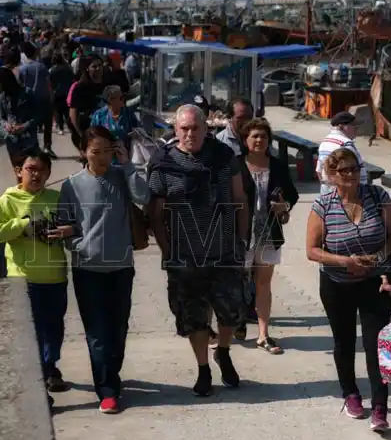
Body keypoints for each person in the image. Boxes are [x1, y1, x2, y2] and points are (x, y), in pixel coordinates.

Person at [147, 104, 250, 397]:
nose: (190, 133)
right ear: (176, 129)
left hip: (225, 250)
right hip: (186, 254)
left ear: (206, 128)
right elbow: (155, 212)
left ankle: (224, 351)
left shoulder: (223, 156)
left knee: (231, 312)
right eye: (184, 128)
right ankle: (203, 368)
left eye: (195, 128)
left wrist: (242, 240)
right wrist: (167, 251)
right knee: (194, 316)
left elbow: (240, 197)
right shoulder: (162, 162)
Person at [306, 147, 391, 432]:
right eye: (344, 170)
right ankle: (351, 394)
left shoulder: (377, 196)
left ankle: (381, 406)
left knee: (376, 345)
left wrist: (379, 258)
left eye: (355, 169)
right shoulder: (323, 205)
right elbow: (312, 251)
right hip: (337, 284)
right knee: (344, 342)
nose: (351, 175)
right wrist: (345, 261)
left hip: (374, 282)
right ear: (332, 175)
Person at [58, 126, 150, 413]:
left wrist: (127, 165)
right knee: (97, 332)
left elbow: (143, 196)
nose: (101, 158)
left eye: (107, 152)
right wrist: (79, 245)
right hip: (87, 270)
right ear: (84, 152)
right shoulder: (72, 185)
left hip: (121, 266)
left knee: (118, 328)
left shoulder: (121, 176)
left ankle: (111, 373)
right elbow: (64, 223)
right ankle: (107, 390)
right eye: (95, 152)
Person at [0, 147, 70, 402]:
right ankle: (39, 382)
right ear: (19, 172)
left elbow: (73, 226)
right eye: (30, 169)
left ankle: (50, 366)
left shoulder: (56, 198)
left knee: (54, 327)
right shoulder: (8, 200)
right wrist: (22, 225)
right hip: (23, 277)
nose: (36, 174)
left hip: (55, 275)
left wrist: (64, 230)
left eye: (42, 170)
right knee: (32, 332)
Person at [238, 118, 299, 353]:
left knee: (263, 283)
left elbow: (291, 194)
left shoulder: (278, 165)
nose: (259, 140)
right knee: (236, 280)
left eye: (263, 136)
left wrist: (284, 206)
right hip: (241, 234)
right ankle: (236, 322)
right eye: (254, 136)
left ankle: (263, 334)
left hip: (269, 232)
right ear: (245, 140)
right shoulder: (235, 164)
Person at [18, 42, 54, 158]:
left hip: (29, 101)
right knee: (47, 125)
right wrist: (51, 96)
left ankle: (33, 147)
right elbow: (48, 84)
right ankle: (47, 147)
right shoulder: (41, 67)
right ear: (34, 53)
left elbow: (20, 85)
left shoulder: (22, 69)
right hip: (44, 99)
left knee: (32, 124)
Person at [316, 111, 368, 192]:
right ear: (342, 126)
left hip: (326, 190)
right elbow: (360, 173)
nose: (357, 128)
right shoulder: (346, 144)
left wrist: (326, 189)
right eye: (353, 125)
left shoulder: (325, 141)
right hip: (344, 192)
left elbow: (319, 171)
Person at [0, 66, 37, 165]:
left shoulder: (27, 93)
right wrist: (6, 125)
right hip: (12, 139)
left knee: (30, 168)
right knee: (18, 170)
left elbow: (38, 115)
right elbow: (1, 117)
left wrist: (23, 126)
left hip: (28, 140)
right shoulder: (2, 97)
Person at [69, 55, 105, 151]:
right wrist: (81, 134)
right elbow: (73, 113)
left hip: (106, 131)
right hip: (87, 129)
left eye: (100, 65)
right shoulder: (80, 88)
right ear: (87, 69)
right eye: (94, 66)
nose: (98, 68)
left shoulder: (108, 84)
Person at [90, 85, 139, 153]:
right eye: (121, 98)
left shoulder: (128, 113)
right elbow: (92, 135)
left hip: (125, 155)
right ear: (111, 100)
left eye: (123, 96)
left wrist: (135, 134)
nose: (124, 99)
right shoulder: (99, 115)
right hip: (105, 155)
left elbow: (138, 130)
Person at [49, 53, 73, 135]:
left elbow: (50, 82)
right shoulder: (68, 68)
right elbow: (72, 79)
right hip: (67, 92)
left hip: (56, 93)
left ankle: (61, 128)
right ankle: (70, 127)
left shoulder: (52, 70)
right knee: (67, 112)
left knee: (58, 112)